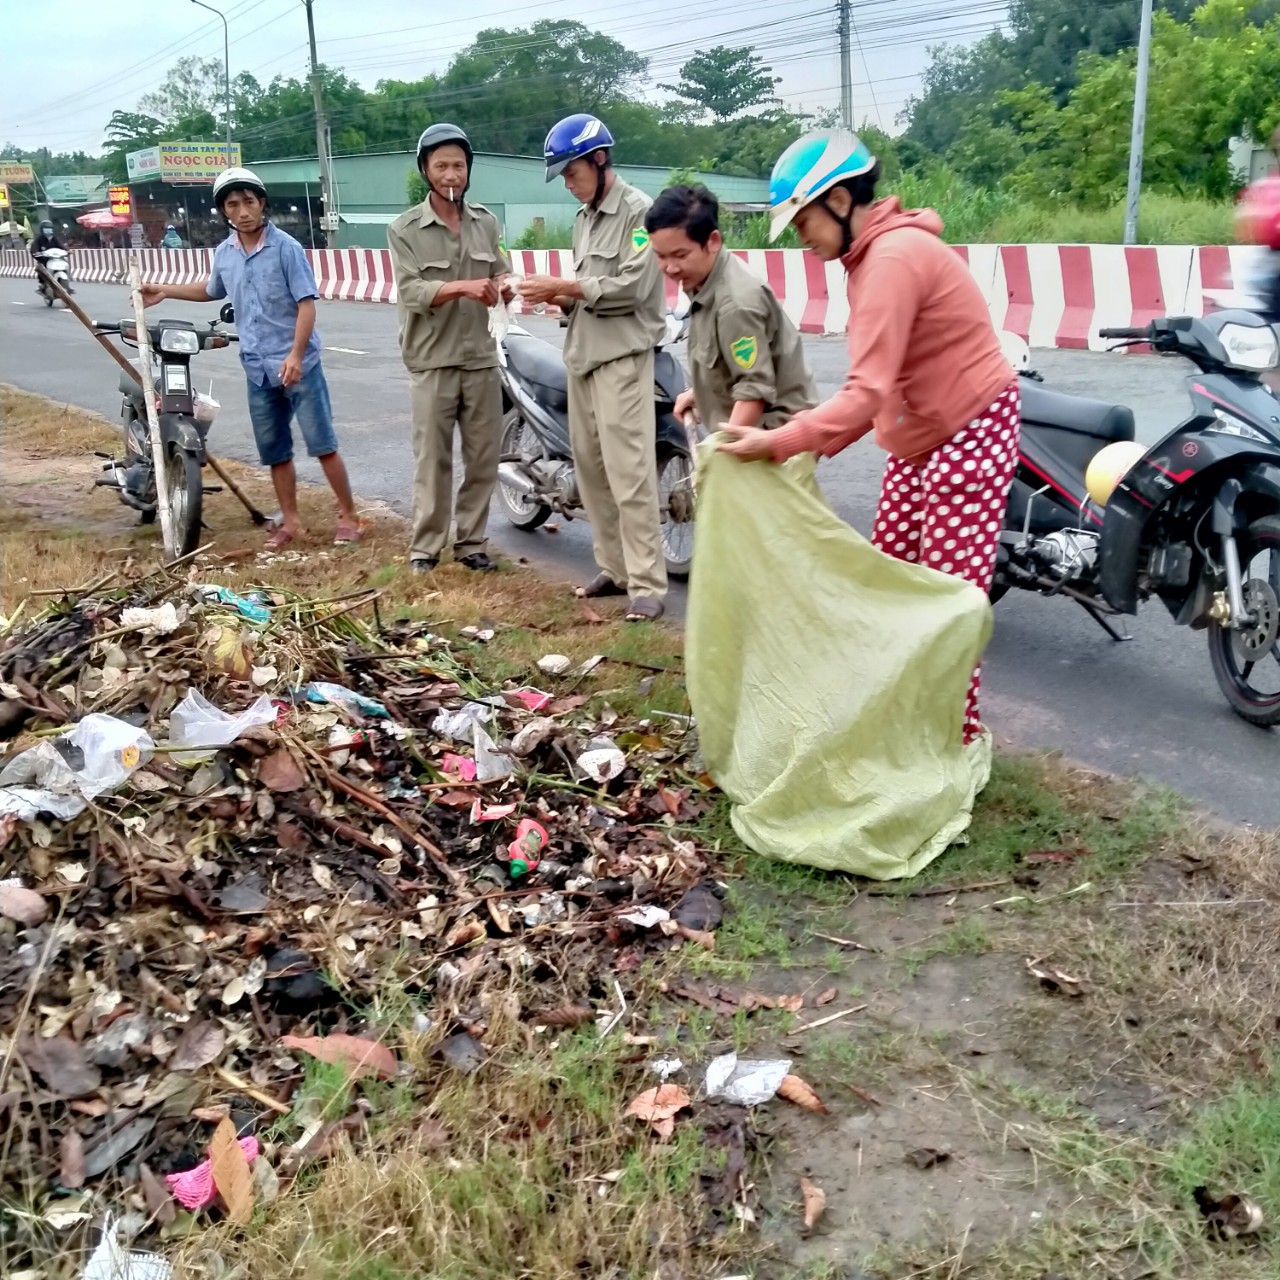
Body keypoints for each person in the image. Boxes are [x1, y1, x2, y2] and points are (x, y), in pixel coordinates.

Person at [719, 130, 1019, 746]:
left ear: (839, 200)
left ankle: (947, 743)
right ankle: (902, 725)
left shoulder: (890, 259)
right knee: (890, 587)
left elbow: (866, 392)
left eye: (802, 219)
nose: (801, 237)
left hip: (969, 429)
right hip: (919, 438)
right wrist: (796, 445)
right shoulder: (868, 258)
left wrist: (782, 442)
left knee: (943, 602)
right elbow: (876, 394)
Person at [139, 165, 363, 549]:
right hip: (257, 368)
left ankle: (349, 516)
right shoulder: (225, 252)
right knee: (275, 450)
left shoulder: (287, 249)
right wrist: (166, 291)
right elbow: (212, 289)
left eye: (248, 202)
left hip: (299, 366)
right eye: (232, 204)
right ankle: (290, 520)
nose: (242, 211)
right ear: (224, 211)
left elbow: (306, 306)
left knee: (322, 444)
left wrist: (294, 355)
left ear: (262, 204)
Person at [517, 113, 668, 622]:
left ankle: (647, 583)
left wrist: (566, 286)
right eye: (561, 173)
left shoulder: (639, 214)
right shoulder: (584, 219)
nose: (567, 181)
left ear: (599, 159)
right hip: (583, 356)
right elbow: (585, 295)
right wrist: (558, 298)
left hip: (623, 361)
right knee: (594, 472)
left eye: (571, 170)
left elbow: (633, 287)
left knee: (630, 475)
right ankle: (616, 568)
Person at [386, 123, 512, 573]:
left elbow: (501, 272)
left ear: (468, 169)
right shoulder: (404, 229)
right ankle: (426, 549)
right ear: (426, 170)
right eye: (441, 165)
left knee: (483, 458)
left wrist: (506, 287)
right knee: (432, 461)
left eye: (458, 165)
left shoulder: (486, 222)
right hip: (432, 362)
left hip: (480, 358)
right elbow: (413, 292)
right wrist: (463, 287)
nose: (451, 174)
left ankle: (472, 543)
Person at [644, 183, 817, 435]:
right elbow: (728, 365)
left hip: (771, 442)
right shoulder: (703, 278)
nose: (670, 267)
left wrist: (721, 458)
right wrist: (699, 393)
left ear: (713, 241)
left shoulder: (735, 303)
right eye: (661, 256)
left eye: (680, 255)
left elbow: (753, 390)